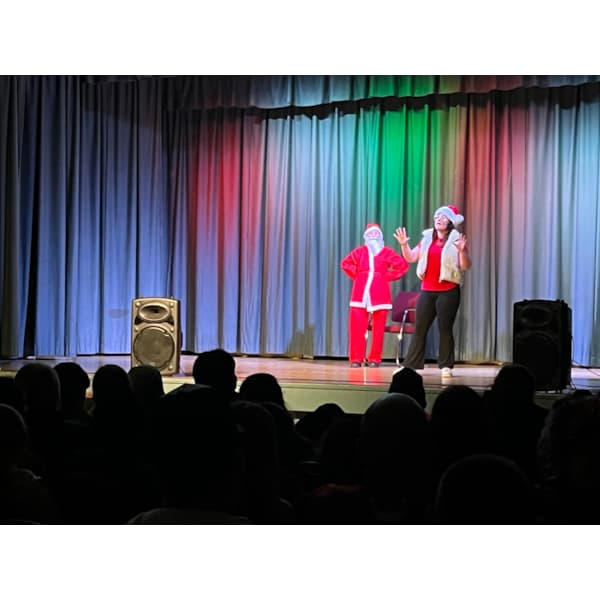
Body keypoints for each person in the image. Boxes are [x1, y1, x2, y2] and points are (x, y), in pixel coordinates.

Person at [394, 205, 470, 379]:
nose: (438, 219)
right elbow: (411, 257)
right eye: (436, 217)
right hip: (427, 290)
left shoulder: (456, 239)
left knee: (445, 328)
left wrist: (462, 251)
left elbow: (465, 266)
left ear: (450, 221)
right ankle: (410, 365)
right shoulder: (427, 238)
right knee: (420, 328)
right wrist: (404, 245)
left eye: (443, 217)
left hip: (448, 291)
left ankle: (446, 365)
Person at [341, 223, 409, 367]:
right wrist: (358, 275)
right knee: (356, 328)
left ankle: (374, 358)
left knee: (378, 330)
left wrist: (385, 276)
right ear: (366, 237)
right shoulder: (360, 252)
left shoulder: (387, 252)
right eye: (370, 234)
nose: (373, 236)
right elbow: (345, 263)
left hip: (380, 294)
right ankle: (356, 359)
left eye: (376, 234)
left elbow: (402, 266)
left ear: (380, 236)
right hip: (360, 293)